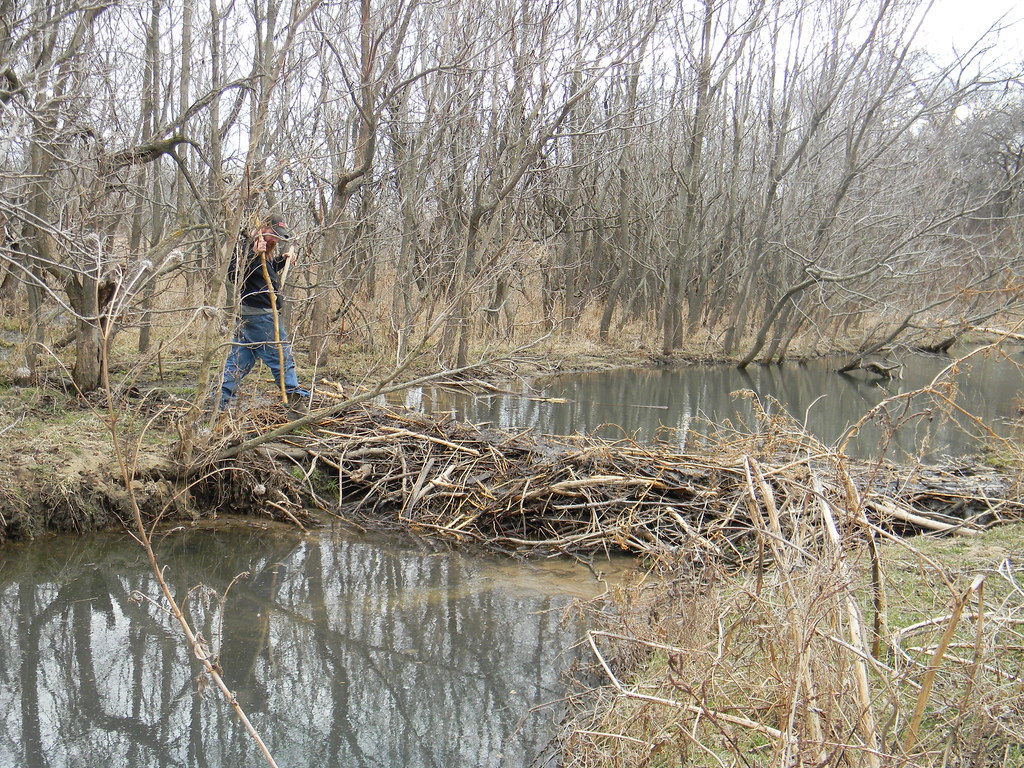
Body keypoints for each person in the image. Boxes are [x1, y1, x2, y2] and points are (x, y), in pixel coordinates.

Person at [217, 213, 310, 411]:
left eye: (279, 236)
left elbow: (259, 275)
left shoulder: (262, 248)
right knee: (282, 358)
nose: (275, 239)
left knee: (238, 361)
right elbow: (234, 274)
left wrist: (280, 262)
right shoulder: (246, 245)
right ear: (263, 227)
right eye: (273, 234)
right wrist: (252, 253)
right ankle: (295, 403)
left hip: (248, 316)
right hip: (260, 316)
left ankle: (217, 402)